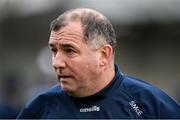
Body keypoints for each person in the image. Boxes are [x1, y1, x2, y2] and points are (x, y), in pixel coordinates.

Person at [17, 8, 180, 119]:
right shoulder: (38, 108)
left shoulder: (151, 106)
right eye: (54, 50)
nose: (56, 62)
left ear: (104, 55)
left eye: (69, 50)